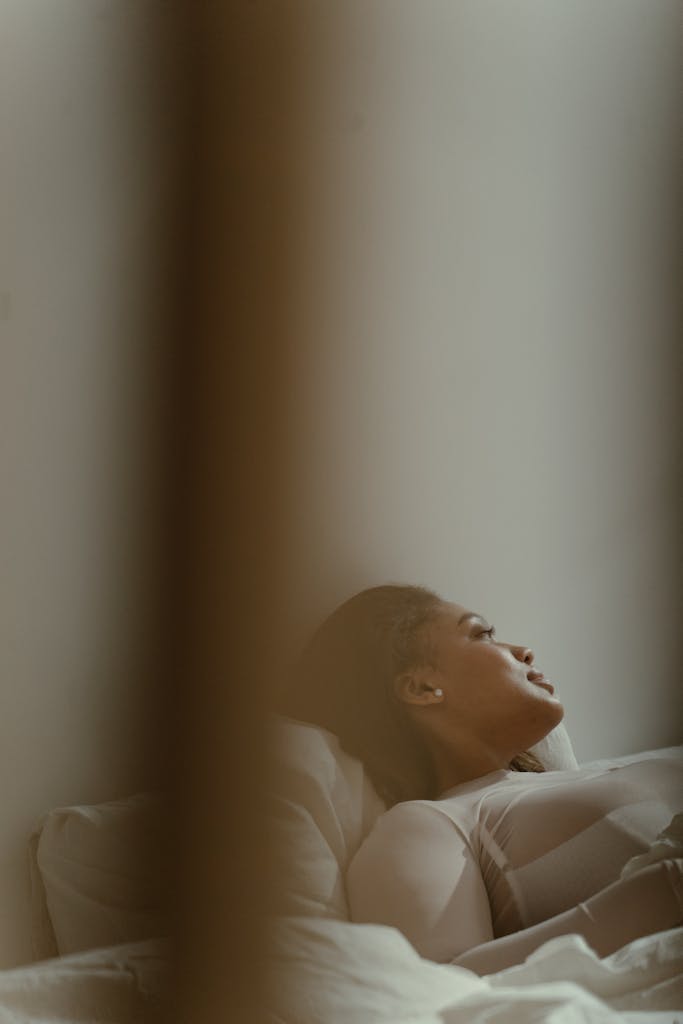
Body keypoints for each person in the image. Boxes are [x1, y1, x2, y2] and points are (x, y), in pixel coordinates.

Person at [280, 584, 683, 975]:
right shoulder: (426, 824)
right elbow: (436, 990)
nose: (524, 651)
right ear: (422, 687)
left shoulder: (587, 777)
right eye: (482, 634)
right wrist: (662, 891)